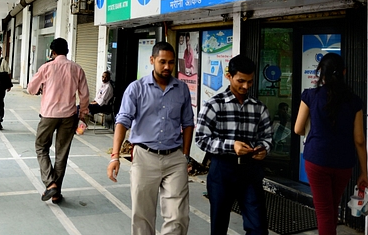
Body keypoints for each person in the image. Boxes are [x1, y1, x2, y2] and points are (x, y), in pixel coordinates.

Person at [108, 41, 194, 235]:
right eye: (162, 62)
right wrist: (114, 156)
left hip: (174, 158)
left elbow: (188, 123)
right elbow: (122, 121)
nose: (167, 67)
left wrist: (185, 155)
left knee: (178, 216)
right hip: (144, 156)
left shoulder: (181, 89)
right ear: (152, 60)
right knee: (143, 216)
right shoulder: (136, 88)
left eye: (171, 63)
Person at [195, 54, 273, 235]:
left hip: (251, 171)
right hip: (222, 171)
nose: (245, 86)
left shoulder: (258, 108)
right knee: (219, 226)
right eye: (241, 81)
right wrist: (231, 146)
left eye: (250, 82)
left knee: (258, 227)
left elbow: (267, 137)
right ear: (228, 76)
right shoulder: (214, 105)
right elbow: (201, 138)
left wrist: (264, 149)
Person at [294, 53, 368, 235]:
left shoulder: (310, 96)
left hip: (316, 159)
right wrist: (364, 172)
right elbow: (359, 139)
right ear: (344, 72)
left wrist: (315, 134)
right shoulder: (354, 101)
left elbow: (297, 129)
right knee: (332, 207)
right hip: (344, 162)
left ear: (321, 73)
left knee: (324, 212)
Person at [27, 37, 89, 205]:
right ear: (67, 51)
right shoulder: (77, 69)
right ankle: (56, 193)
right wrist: (82, 113)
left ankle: (50, 183)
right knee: (61, 154)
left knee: (41, 147)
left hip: (48, 115)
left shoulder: (46, 67)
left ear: (52, 52)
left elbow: (31, 89)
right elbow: (84, 94)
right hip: (69, 116)